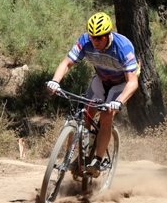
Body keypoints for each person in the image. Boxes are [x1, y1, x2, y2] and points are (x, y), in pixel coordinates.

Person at [46, 12, 139, 176]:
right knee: (84, 115)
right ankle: (79, 157)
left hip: (121, 84)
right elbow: (67, 63)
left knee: (106, 114)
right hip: (101, 80)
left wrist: (119, 102)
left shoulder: (123, 47)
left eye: (99, 37)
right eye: (92, 36)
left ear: (108, 34)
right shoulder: (85, 41)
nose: (95, 41)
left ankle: (98, 160)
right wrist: (55, 80)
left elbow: (133, 82)